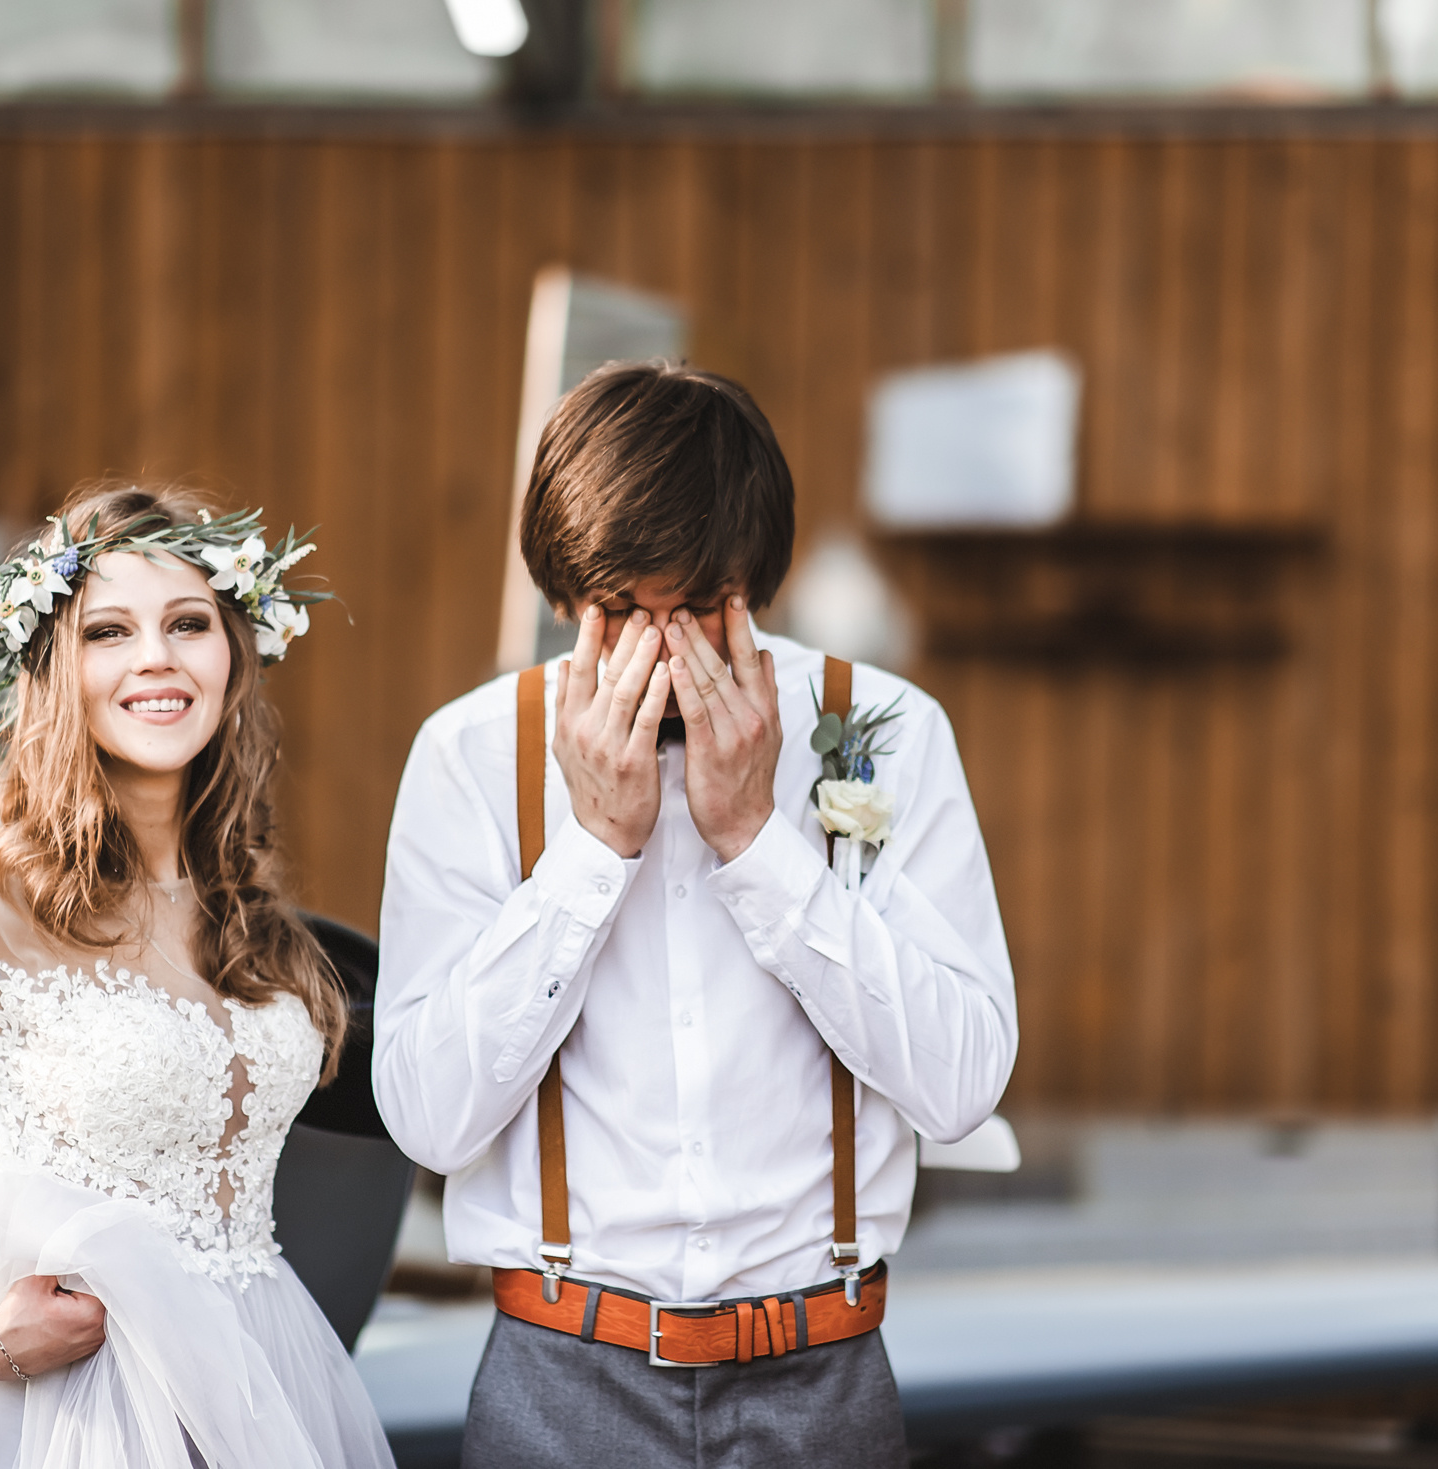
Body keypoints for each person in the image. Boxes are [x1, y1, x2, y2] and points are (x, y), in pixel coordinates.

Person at [375, 362, 1018, 1468]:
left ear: (753, 582)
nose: (663, 652)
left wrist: (762, 845)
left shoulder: (880, 730)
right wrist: (592, 851)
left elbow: (960, 1084)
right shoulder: (472, 754)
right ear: (567, 592)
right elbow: (429, 1119)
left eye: (699, 610)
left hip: (822, 1378)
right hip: (560, 1377)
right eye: (623, 611)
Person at [0, 484, 394, 1469]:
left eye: (188, 623)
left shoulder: (247, 907)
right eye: (109, 631)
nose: (156, 658)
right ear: (57, 663)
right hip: (71, 1401)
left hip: (257, 1369)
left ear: (233, 653)